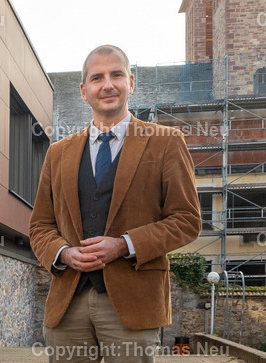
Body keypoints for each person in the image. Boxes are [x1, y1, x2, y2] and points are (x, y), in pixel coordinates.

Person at [29, 45, 200, 363]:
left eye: (116, 75)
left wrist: (123, 245)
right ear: (84, 91)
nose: (107, 85)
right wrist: (63, 253)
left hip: (134, 303)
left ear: (130, 83)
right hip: (68, 303)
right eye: (97, 78)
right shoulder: (58, 153)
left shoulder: (166, 142)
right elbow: (40, 225)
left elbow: (187, 220)